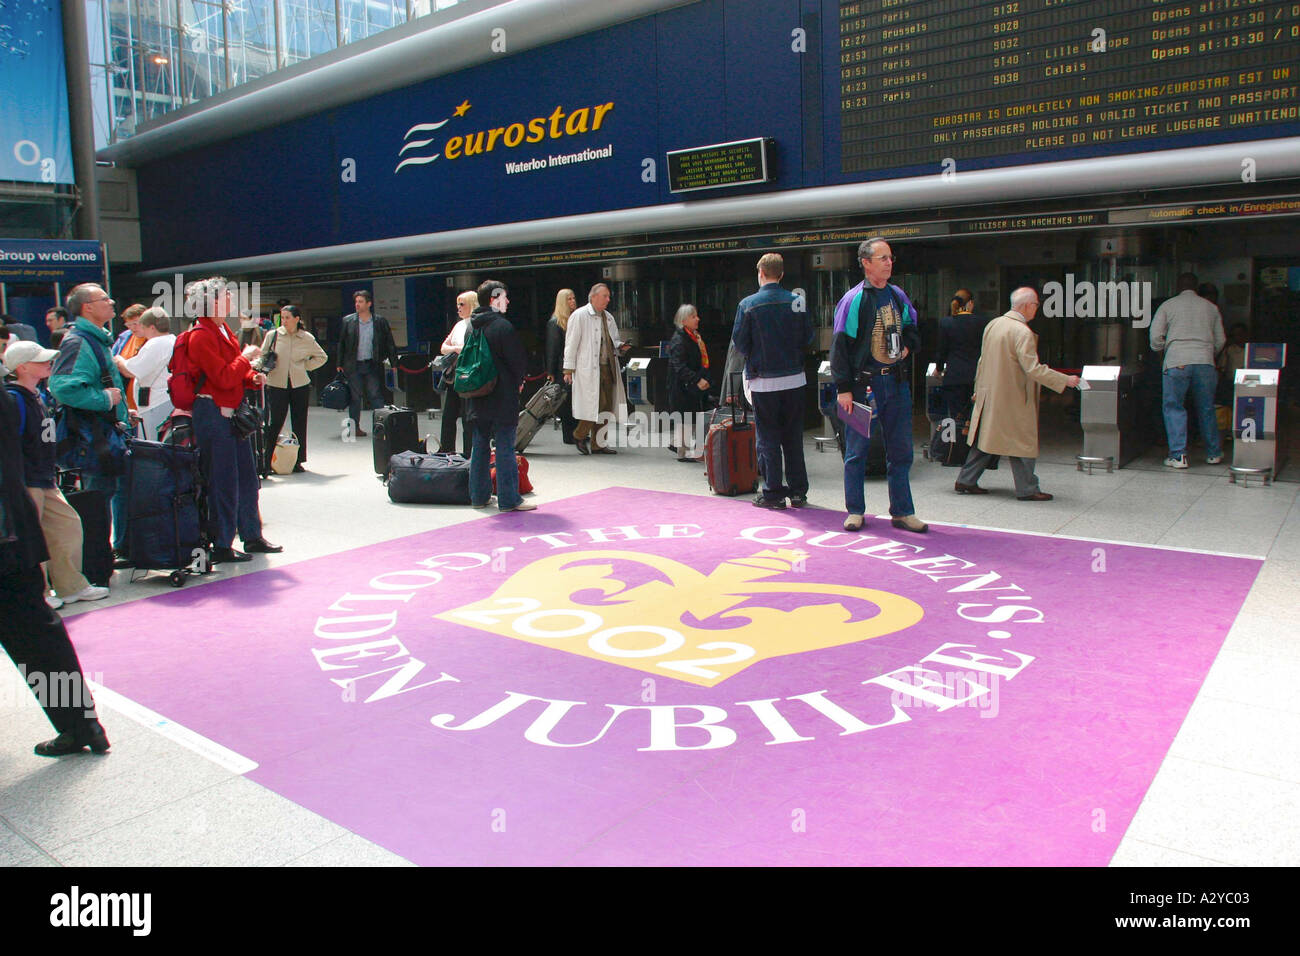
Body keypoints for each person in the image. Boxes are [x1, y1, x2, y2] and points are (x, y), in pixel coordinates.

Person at [0, 380, 111, 756]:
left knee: (37, 637)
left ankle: (81, 725)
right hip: (14, 534)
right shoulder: (8, 395)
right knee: (38, 636)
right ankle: (83, 725)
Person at [4, 340, 111, 609]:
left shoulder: (37, 396)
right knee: (31, 536)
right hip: (27, 479)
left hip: (43, 476)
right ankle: (39, 594)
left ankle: (69, 585)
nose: (48, 363)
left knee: (68, 525)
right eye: (40, 360)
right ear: (23, 367)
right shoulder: (15, 399)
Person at [830, 238, 928, 533]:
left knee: (901, 451)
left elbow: (912, 327)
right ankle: (855, 510)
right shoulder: (854, 299)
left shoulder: (898, 295)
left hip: (895, 384)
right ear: (866, 263)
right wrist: (843, 388)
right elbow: (840, 346)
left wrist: (908, 348)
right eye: (882, 258)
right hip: (862, 388)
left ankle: (902, 511)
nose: (888, 262)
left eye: (890, 257)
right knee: (856, 451)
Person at [184, 277, 283, 562]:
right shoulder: (201, 335)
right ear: (211, 301)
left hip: (226, 412)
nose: (231, 300)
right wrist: (246, 357)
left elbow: (232, 375)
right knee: (224, 481)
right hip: (214, 414)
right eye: (226, 295)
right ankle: (223, 543)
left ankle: (251, 536)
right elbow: (224, 376)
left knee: (247, 479)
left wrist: (251, 377)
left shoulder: (221, 329)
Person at [954, 287, 1080, 499]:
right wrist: (1065, 380)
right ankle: (1028, 489)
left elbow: (982, 362)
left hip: (991, 395)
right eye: (1036, 305)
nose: (1037, 309)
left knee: (986, 441)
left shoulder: (994, 325)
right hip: (1014, 398)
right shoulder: (1023, 332)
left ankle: (966, 480)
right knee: (1023, 445)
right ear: (1027, 305)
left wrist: (978, 389)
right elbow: (1033, 369)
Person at [48, 283, 132, 564]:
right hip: (94, 435)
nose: (111, 303)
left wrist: (120, 409)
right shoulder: (80, 342)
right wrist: (106, 400)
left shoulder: (95, 339)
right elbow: (63, 387)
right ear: (88, 307)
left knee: (110, 491)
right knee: (99, 497)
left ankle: (111, 552)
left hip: (104, 432)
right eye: (104, 299)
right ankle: (97, 560)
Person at [732, 254, 812, 506]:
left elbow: (740, 342)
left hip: (763, 381)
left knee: (767, 438)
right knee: (793, 437)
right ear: (781, 274)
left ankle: (773, 493)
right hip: (794, 379)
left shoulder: (748, 304)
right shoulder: (797, 301)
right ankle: (798, 491)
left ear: (761, 273)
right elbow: (808, 337)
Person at [464, 280, 534, 512]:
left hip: (478, 392)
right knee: (505, 445)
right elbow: (516, 361)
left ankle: (479, 496)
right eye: (504, 297)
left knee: (480, 444)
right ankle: (508, 499)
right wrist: (520, 381)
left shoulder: (471, 326)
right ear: (494, 299)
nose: (508, 301)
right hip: (502, 394)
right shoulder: (503, 326)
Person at [1150, 272, 1226, 468]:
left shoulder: (1168, 305)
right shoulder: (1211, 307)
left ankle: (1179, 455)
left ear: (1178, 286)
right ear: (1196, 286)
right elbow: (1221, 340)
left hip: (1177, 360)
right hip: (1205, 361)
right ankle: (1214, 453)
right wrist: (1208, 353)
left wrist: (1163, 353)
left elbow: (1155, 337)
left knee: (1174, 407)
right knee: (1207, 408)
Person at [563, 283, 629, 455]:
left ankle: (598, 443)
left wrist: (621, 346)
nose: (608, 299)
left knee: (606, 406)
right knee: (592, 405)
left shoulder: (608, 317)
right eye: (605, 296)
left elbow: (613, 340)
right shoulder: (580, 315)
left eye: (608, 296)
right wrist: (568, 369)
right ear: (593, 297)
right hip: (588, 369)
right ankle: (579, 435)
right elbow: (571, 344)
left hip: (608, 368)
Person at [261, 304, 328, 472]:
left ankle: (298, 461)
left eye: (287, 318)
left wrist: (305, 366)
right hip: (276, 384)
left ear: (297, 319)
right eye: (281, 318)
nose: (284, 321)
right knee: (275, 422)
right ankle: (266, 461)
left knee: (299, 422)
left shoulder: (306, 338)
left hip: (299, 384)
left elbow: (322, 357)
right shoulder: (273, 335)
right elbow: (262, 356)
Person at [934, 288, 991, 465]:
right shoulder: (982, 322)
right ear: (971, 303)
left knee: (955, 416)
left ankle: (954, 453)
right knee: (976, 417)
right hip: (977, 376)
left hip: (954, 375)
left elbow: (942, 350)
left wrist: (939, 368)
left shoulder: (946, 322)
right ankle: (977, 455)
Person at [337, 290, 398, 438]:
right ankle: (354, 427)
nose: (357, 304)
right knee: (355, 397)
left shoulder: (379, 321)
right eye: (356, 302)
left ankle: (381, 426)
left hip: (372, 363)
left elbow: (389, 342)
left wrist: (394, 361)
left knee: (375, 395)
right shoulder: (348, 321)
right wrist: (339, 363)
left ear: (369, 304)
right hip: (353, 364)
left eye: (361, 302)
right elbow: (342, 343)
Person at [113, 306, 175, 441]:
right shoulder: (172, 340)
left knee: (153, 447)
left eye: (143, 327)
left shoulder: (155, 344)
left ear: (152, 327)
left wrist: (119, 360)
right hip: (165, 400)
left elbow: (130, 371)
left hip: (156, 403)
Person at [666, 304, 712, 461]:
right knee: (685, 419)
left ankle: (680, 445)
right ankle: (683, 452)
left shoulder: (694, 337)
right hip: (682, 387)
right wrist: (697, 379)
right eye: (693, 317)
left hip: (691, 386)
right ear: (684, 320)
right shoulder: (679, 340)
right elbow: (680, 366)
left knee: (690, 418)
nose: (697, 319)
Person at [437, 291, 477, 456]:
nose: (459, 308)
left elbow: (470, 350)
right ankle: (446, 449)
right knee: (448, 416)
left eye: (462, 304)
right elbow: (443, 347)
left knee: (468, 418)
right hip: (453, 377)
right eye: (457, 305)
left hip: (467, 377)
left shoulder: (475, 325)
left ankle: (469, 452)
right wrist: (455, 349)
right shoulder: (459, 325)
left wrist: (455, 349)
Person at [544, 288, 579, 445]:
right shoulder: (556, 322)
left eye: (573, 298)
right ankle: (568, 434)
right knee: (566, 402)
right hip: (562, 368)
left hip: (576, 366)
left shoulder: (575, 319)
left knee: (576, 401)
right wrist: (550, 371)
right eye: (569, 299)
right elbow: (553, 349)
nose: (573, 302)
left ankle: (577, 432)